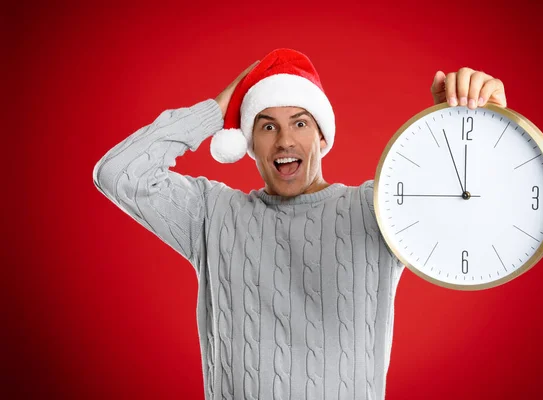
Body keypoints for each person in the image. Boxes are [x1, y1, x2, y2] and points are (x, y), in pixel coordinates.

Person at [92, 48, 507, 400]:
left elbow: (474, 206)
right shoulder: (212, 213)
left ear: (322, 138)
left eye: (301, 123)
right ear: (249, 144)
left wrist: (461, 122)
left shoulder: (376, 208)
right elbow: (118, 173)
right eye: (267, 126)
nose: (285, 141)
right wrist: (217, 111)